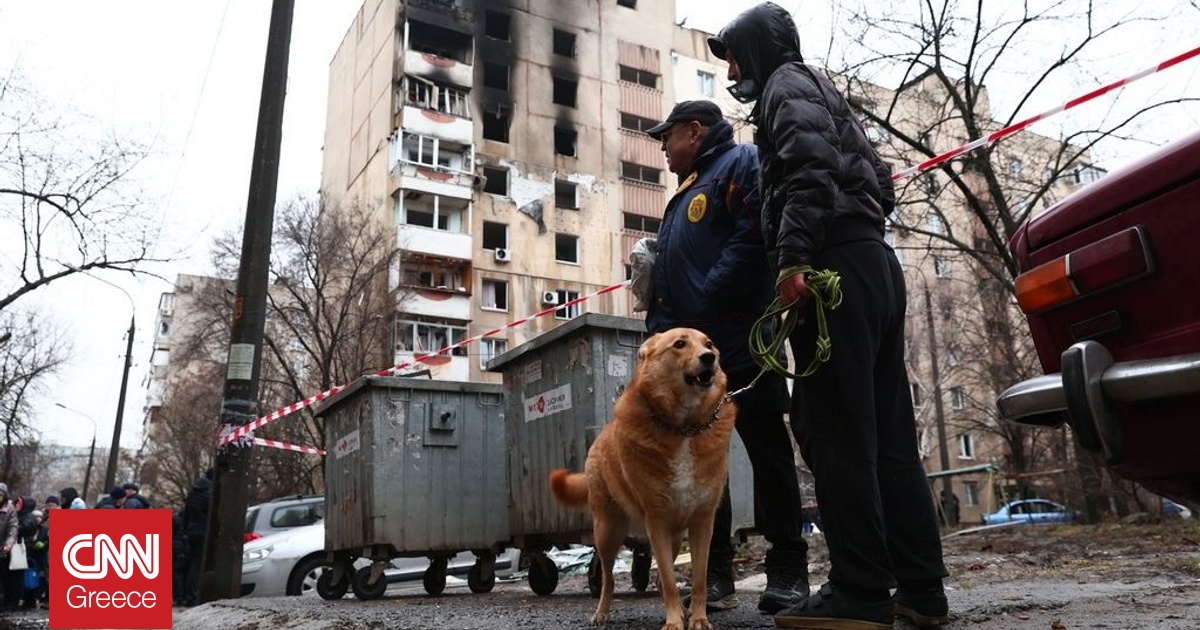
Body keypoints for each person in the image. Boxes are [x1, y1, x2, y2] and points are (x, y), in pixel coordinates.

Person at [709, 4, 949, 628]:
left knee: (833, 429)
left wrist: (792, 258)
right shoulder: (823, 88)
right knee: (889, 436)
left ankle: (860, 592)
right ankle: (920, 591)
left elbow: (811, 168)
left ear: (759, 49)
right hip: (870, 261)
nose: (731, 69)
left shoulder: (786, 86)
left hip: (830, 267)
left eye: (734, 54)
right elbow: (881, 182)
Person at [643, 99, 809, 614]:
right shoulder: (687, 189)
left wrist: (710, 294)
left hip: (740, 338)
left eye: (666, 136)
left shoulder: (739, 164)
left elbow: (752, 234)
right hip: (692, 355)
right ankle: (713, 575)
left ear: (695, 131)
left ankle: (787, 570)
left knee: (768, 450)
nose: (663, 148)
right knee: (701, 461)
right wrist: (661, 326)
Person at [182, 468, 214, 607]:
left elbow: (187, 514)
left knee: (191, 565)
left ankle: (187, 595)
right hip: (202, 532)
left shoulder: (193, 493)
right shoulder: (209, 494)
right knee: (197, 565)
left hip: (191, 532)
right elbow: (211, 515)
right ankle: (193, 596)